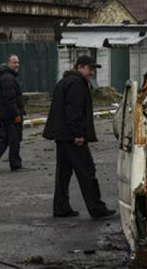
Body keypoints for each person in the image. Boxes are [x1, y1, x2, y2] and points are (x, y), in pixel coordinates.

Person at [43, 56, 116, 219]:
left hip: (62, 136)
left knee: (63, 173)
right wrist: (78, 134)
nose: (91, 73)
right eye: (90, 69)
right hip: (71, 137)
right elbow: (74, 111)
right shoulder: (76, 83)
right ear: (80, 67)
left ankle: (61, 207)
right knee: (87, 171)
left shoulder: (65, 81)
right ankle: (97, 209)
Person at [0, 54, 26, 172]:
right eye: (14, 62)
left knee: (5, 138)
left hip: (5, 114)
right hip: (11, 115)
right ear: (8, 63)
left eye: (18, 62)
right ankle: (16, 164)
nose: (17, 65)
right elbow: (10, 98)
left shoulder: (4, 77)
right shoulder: (8, 78)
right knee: (14, 139)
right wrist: (16, 114)